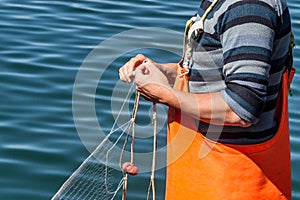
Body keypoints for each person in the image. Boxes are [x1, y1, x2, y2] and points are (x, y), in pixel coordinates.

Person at [119, 0, 294, 199]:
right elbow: (212, 75)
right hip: (200, 175)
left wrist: (165, 95)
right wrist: (161, 71)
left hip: (232, 183)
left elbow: (242, 107)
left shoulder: (249, 8)